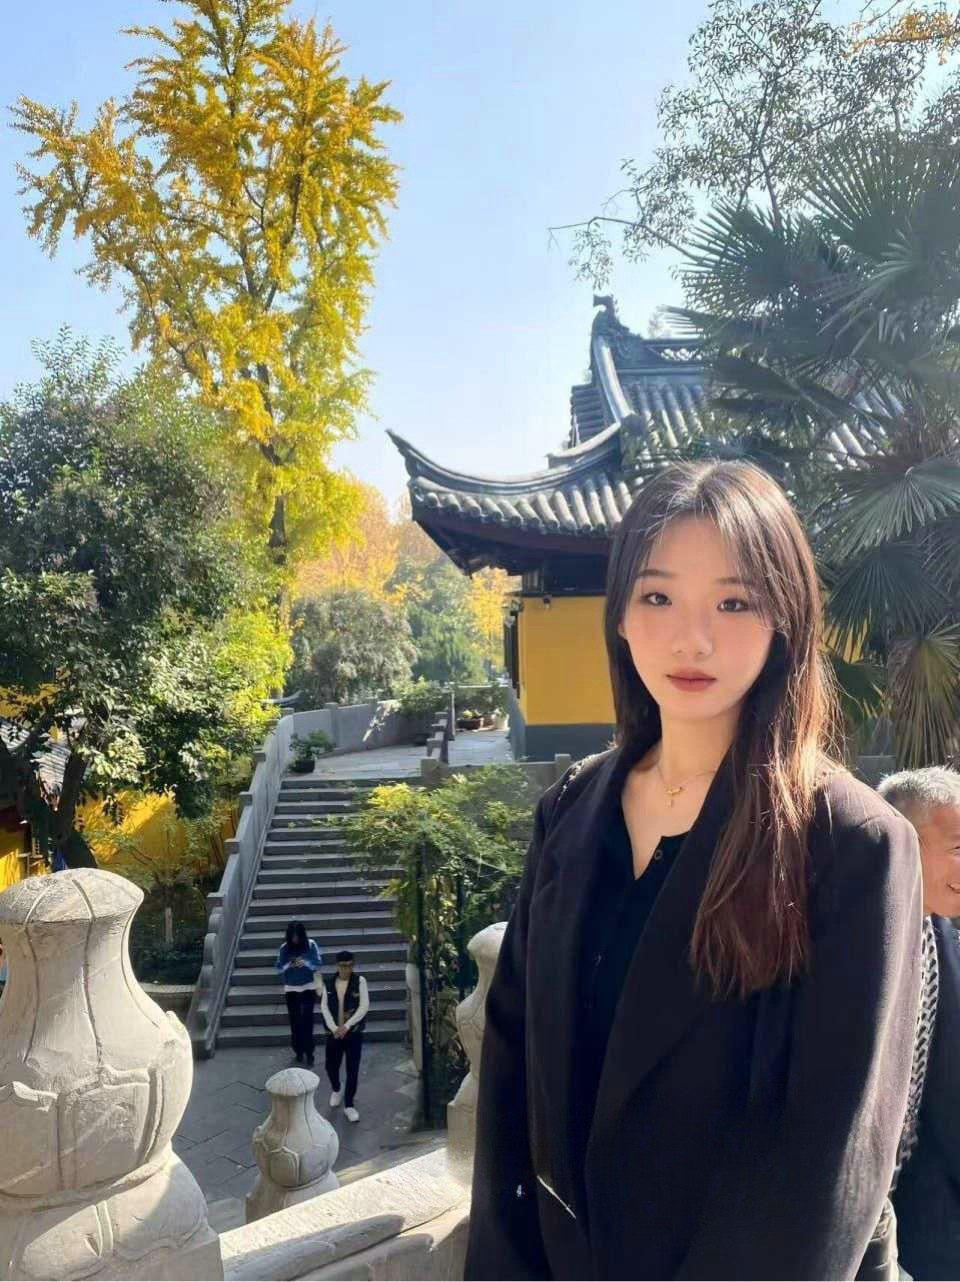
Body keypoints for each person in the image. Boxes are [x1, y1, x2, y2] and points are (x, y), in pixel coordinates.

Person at [465, 460, 923, 1281]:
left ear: (784, 618)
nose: (692, 638)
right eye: (658, 597)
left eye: (734, 602)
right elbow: (509, 1083)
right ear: (620, 616)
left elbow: (827, 1168)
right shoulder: (569, 814)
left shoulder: (851, 845)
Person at [875, 768, 960, 1281]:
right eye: (957, 847)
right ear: (902, 838)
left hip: (921, 1206)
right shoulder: (854, 941)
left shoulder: (940, 937)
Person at [318, 949, 369, 1122]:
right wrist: (334, 1028)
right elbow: (324, 1006)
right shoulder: (329, 983)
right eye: (342, 966)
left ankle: (349, 1104)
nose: (346, 969)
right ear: (337, 966)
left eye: (349, 966)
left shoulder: (360, 981)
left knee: (352, 1069)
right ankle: (336, 1088)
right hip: (333, 1033)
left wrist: (347, 1026)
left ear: (353, 965)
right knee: (330, 1066)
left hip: (353, 1033)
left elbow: (364, 1006)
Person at [275, 920, 322, 1066]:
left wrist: (305, 962)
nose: (295, 939)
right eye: (292, 936)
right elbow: (279, 968)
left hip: (308, 987)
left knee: (308, 1021)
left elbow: (318, 963)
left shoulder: (311, 944)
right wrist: (290, 964)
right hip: (291, 988)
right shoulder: (285, 948)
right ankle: (298, 1051)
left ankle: (310, 1052)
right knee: (295, 1022)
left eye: (297, 936)